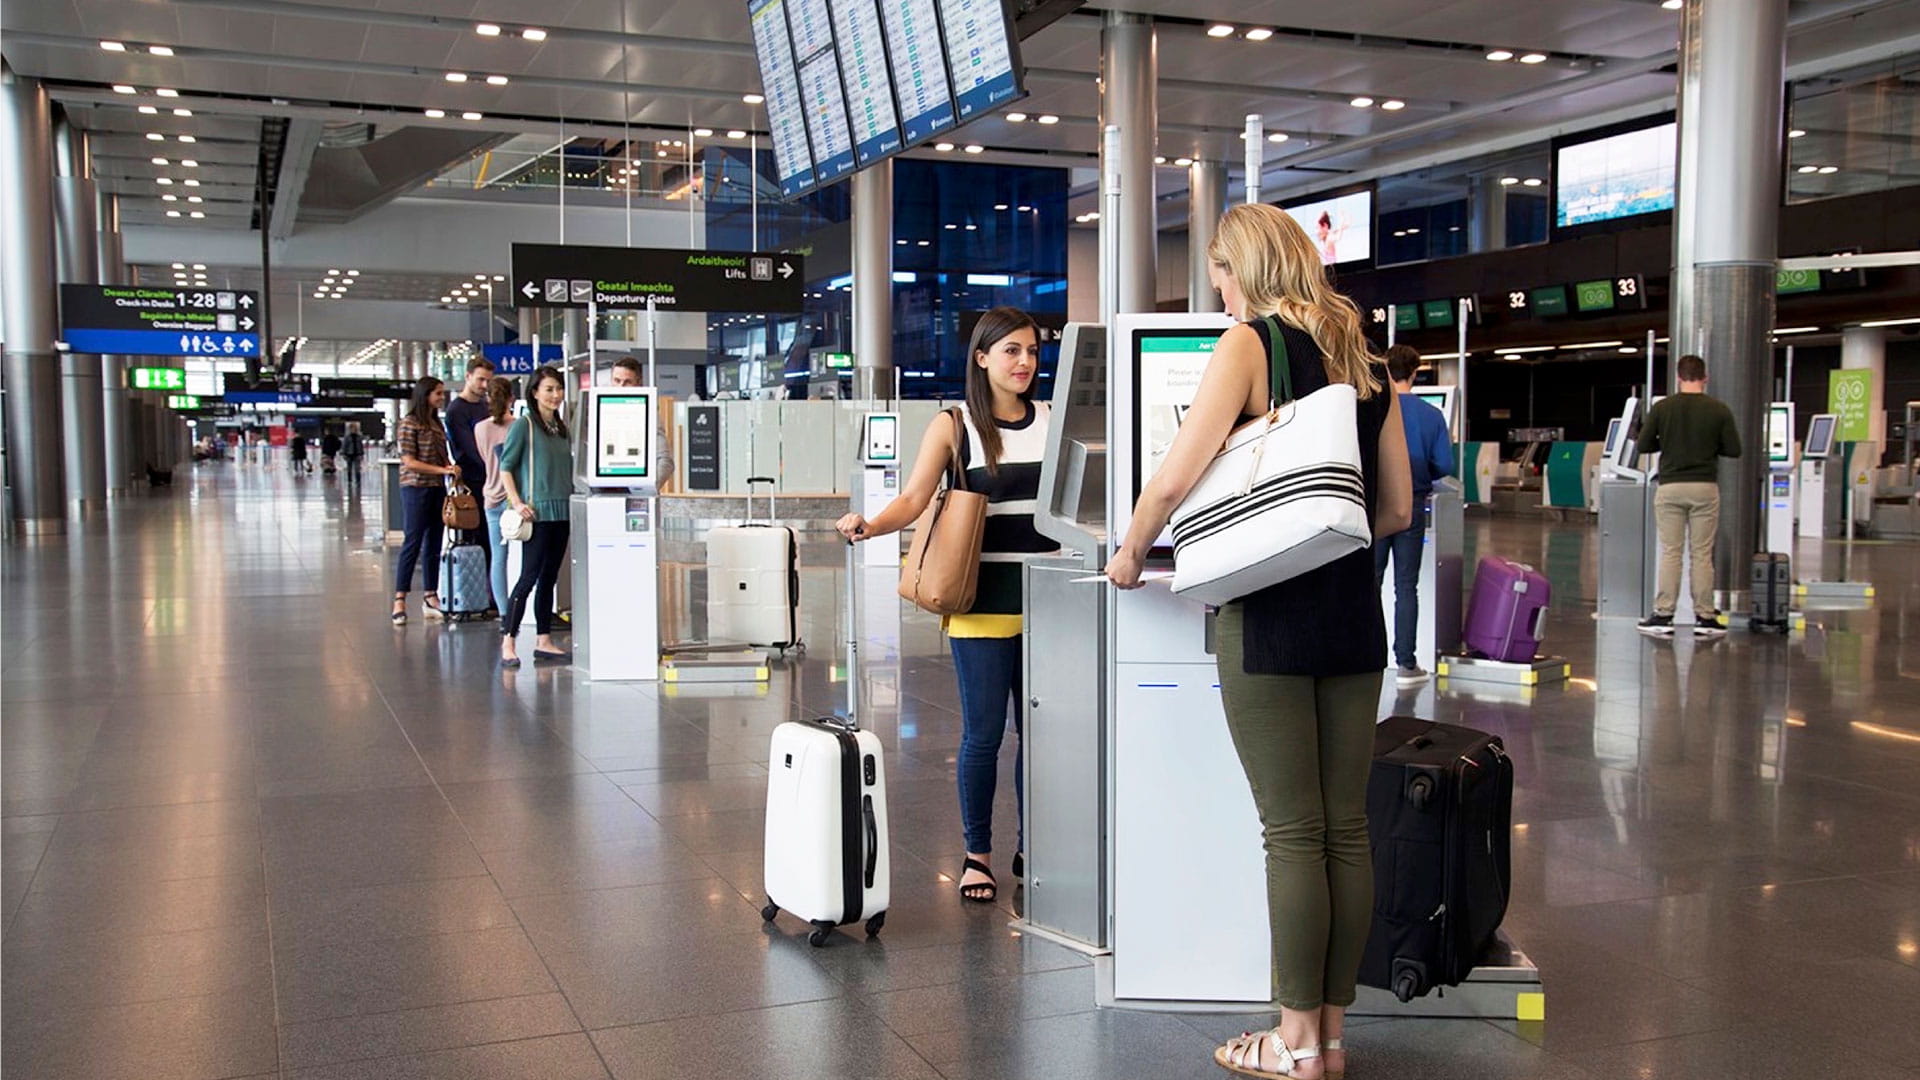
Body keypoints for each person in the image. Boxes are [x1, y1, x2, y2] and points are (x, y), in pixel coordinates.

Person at [1107, 203, 1411, 1079]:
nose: (1223, 294)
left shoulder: (1250, 346)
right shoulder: (1366, 357)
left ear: (1247, 267)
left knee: (1291, 832)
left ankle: (1292, 1041)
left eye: (1222, 276)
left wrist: (1131, 551)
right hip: (1354, 612)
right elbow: (1393, 508)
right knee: (1345, 830)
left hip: (1266, 615)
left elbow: (1174, 475)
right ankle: (1333, 1036)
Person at [836, 307, 1055, 905]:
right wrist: (872, 524)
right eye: (1011, 351)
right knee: (984, 735)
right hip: (981, 602)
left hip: (1052, 604)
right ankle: (976, 853)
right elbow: (913, 496)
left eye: (1032, 351)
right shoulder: (955, 426)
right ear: (981, 358)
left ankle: (1032, 845)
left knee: (1040, 736)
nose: (1025, 363)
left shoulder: (1055, 421)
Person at [1637, 353, 1742, 638]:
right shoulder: (1719, 410)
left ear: (1678, 377)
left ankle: (1663, 615)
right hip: (1704, 487)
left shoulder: (1663, 408)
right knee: (1701, 554)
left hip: (1670, 487)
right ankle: (1705, 617)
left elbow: (1644, 445)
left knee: (1671, 552)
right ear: (1705, 378)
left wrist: (1668, 441)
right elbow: (1734, 449)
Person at [1373, 345, 1455, 687]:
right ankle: (1406, 664)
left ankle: (1368, 660)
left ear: (1384, 370)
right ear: (1415, 372)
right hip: (1412, 506)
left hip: (1374, 506)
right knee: (1406, 586)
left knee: (1368, 584)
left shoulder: (1372, 409)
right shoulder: (1430, 415)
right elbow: (1444, 466)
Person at [498, 365, 575, 667]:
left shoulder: (560, 427)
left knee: (549, 578)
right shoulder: (524, 425)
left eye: (558, 389)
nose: (556, 395)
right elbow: (506, 466)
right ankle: (509, 640)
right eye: (549, 389)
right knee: (528, 577)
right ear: (534, 392)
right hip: (537, 512)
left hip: (561, 511)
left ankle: (544, 640)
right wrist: (516, 502)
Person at [392, 377, 461, 626]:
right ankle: (400, 598)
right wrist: (442, 471)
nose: (442, 399)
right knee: (413, 540)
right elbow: (409, 461)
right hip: (415, 488)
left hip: (436, 489)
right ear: (425, 395)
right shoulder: (409, 423)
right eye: (438, 394)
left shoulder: (435, 424)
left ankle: (430, 595)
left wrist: (448, 469)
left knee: (433, 542)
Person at [474, 377, 519, 619]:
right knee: (523, 556)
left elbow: (484, 458)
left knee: (498, 558)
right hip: (516, 498)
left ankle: (504, 613)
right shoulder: (520, 425)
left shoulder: (480, 428)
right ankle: (522, 607)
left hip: (491, 496)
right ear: (511, 398)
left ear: (488, 398)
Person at [445, 358, 496, 564]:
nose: (484, 385)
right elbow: (470, 449)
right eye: (480, 379)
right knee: (477, 537)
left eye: (488, 381)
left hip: (491, 480)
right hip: (472, 483)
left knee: (492, 539)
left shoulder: (486, 406)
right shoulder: (456, 410)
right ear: (468, 377)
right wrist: (496, 467)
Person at [607, 356, 676, 488]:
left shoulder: (647, 414)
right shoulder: (600, 413)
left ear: (638, 383)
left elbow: (666, 462)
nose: (621, 387)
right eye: (617, 381)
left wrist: (644, 490)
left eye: (627, 382)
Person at [341, 422, 366, 489]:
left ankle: (358, 480)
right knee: (349, 468)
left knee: (357, 468)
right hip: (349, 454)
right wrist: (343, 453)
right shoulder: (347, 437)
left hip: (357, 454)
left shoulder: (359, 437)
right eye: (352, 428)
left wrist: (362, 454)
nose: (354, 429)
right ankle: (350, 480)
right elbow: (344, 445)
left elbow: (360, 446)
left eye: (355, 428)